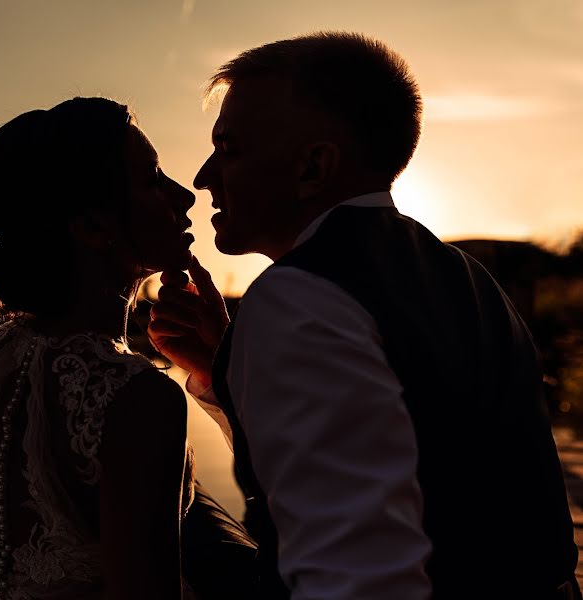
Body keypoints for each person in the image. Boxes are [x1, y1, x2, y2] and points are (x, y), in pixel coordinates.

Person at [149, 32, 581, 599]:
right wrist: (220, 367)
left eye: (229, 148)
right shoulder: (468, 278)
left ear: (313, 167)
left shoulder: (295, 299)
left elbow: (354, 572)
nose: (204, 178)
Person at [0, 97, 254, 600]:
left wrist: (215, 367)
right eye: (154, 179)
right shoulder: (139, 396)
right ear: (93, 228)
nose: (185, 197)